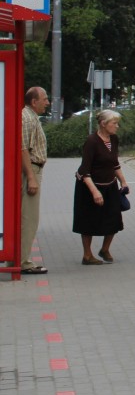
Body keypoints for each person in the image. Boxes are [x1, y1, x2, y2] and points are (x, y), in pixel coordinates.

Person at [73, 109, 129, 265]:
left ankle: (105, 249)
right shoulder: (91, 142)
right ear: (103, 124)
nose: (117, 126)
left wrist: (123, 181)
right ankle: (87, 255)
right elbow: (85, 170)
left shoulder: (114, 139)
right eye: (114, 123)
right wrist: (95, 192)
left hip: (110, 184)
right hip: (89, 185)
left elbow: (114, 163)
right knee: (88, 220)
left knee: (114, 218)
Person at [20, 87, 50, 275]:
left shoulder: (30, 117)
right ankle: (23, 261)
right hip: (31, 170)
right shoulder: (26, 118)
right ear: (34, 101)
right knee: (29, 218)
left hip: (33, 170)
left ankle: (20, 258)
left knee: (29, 217)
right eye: (44, 99)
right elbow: (22, 149)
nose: (47, 103)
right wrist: (31, 177)